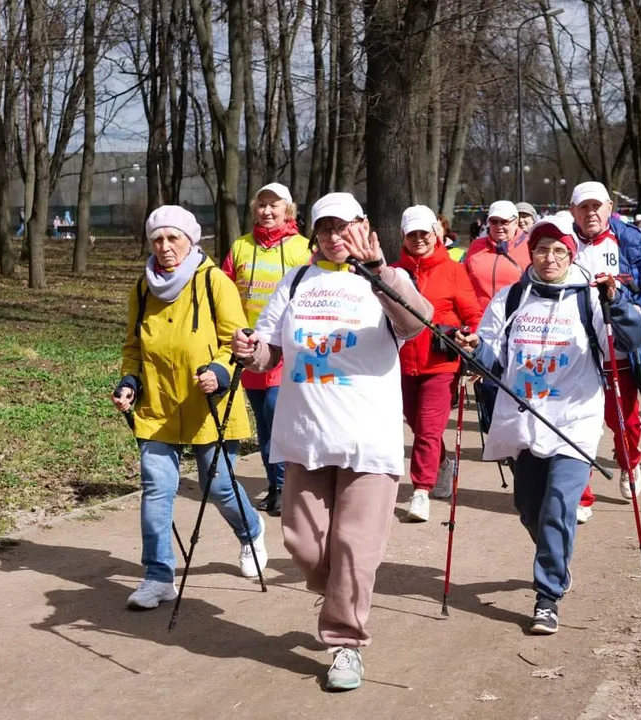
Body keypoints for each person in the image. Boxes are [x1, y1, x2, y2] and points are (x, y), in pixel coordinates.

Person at [230, 192, 432, 692]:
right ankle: (343, 590)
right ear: (313, 233)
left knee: (353, 544)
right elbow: (268, 352)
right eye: (325, 229)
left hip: (368, 439)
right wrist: (250, 351)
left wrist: (378, 270)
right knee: (302, 541)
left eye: (345, 227)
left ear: (364, 227)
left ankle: (345, 642)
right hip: (306, 436)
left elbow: (415, 322)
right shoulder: (296, 280)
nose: (335, 237)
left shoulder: (386, 279)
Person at [455, 216, 641, 635]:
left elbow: (634, 338)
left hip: (574, 420)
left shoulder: (591, 298)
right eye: (542, 249)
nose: (549, 258)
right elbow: (491, 356)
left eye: (559, 250)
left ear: (570, 254)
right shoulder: (510, 299)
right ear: (532, 253)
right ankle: (556, 560)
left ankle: (548, 596)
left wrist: (617, 304)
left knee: (561, 505)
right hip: (524, 418)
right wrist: (473, 350)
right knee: (529, 507)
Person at [112, 205, 266, 611]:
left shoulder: (215, 281)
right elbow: (133, 347)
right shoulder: (142, 288)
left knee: (217, 486)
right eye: (157, 239)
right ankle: (158, 576)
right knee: (157, 490)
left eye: (172, 238)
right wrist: (130, 383)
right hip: (158, 405)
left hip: (207, 403)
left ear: (191, 240)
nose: (165, 247)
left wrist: (219, 370)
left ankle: (251, 532)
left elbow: (239, 341)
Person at [568, 182, 641, 523]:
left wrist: (639, 313)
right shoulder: (560, 243)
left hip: (619, 349)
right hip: (574, 354)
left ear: (610, 208)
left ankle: (630, 462)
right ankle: (581, 494)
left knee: (623, 422)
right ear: (573, 212)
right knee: (576, 426)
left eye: (597, 206)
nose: (590, 213)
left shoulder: (630, 240)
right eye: (583, 207)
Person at [221, 182, 312, 516]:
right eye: (261, 205)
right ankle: (276, 485)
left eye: (274, 205)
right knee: (263, 421)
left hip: (290, 352)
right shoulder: (241, 247)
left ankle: (287, 484)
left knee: (278, 416)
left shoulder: (304, 249)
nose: (267, 211)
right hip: (252, 352)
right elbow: (224, 292)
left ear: (288, 210)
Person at [392, 205, 483, 522]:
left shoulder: (453, 270)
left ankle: (420, 491)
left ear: (435, 234)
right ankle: (443, 466)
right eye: (412, 234)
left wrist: (470, 336)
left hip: (440, 364)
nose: (419, 239)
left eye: (424, 233)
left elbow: (472, 315)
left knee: (428, 430)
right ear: (403, 237)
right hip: (401, 365)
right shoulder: (393, 273)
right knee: (417, 426)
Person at [463, 200, 531, 430]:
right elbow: (465, 283)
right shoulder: (476, 247)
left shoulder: (529, 246)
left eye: (505, 221)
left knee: (514, 383)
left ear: (516, 222)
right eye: (494, 221)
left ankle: (516, 432)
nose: (499, 226)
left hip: (518, 325)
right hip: (481, 325)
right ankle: (495, 431)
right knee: (488, 382)